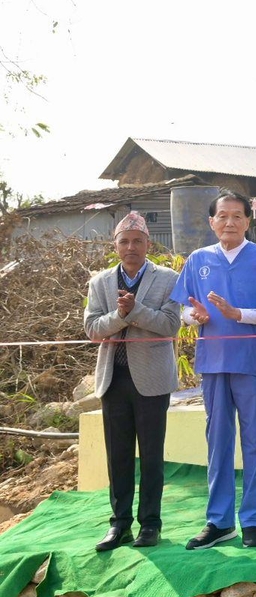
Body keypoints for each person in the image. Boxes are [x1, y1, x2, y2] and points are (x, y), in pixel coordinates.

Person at [170, 189, 256, 550]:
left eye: (237, 216)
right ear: (211, 221)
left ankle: (254, 520)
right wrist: (196, 317)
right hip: (214, 363)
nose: (229, 222)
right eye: (222, 216)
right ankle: (219, 521)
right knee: (218, 443)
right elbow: (183, 311)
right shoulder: (198, 260)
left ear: (248, 221)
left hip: (254, 362)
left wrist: (240, 315)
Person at [83, 211, 181, 551]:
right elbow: (93, 329)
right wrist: (120, 316)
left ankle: (150, 525)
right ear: (115, 246)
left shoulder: (168, 278)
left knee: (152, 456)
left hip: (152, 380)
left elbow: (171, 326)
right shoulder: (100, 283)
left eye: (137, 241)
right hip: (114, 380)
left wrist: (135, 311)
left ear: (148, 244)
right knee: (118, 456)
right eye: (124, 241)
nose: (131, 247)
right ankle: (120, 524)